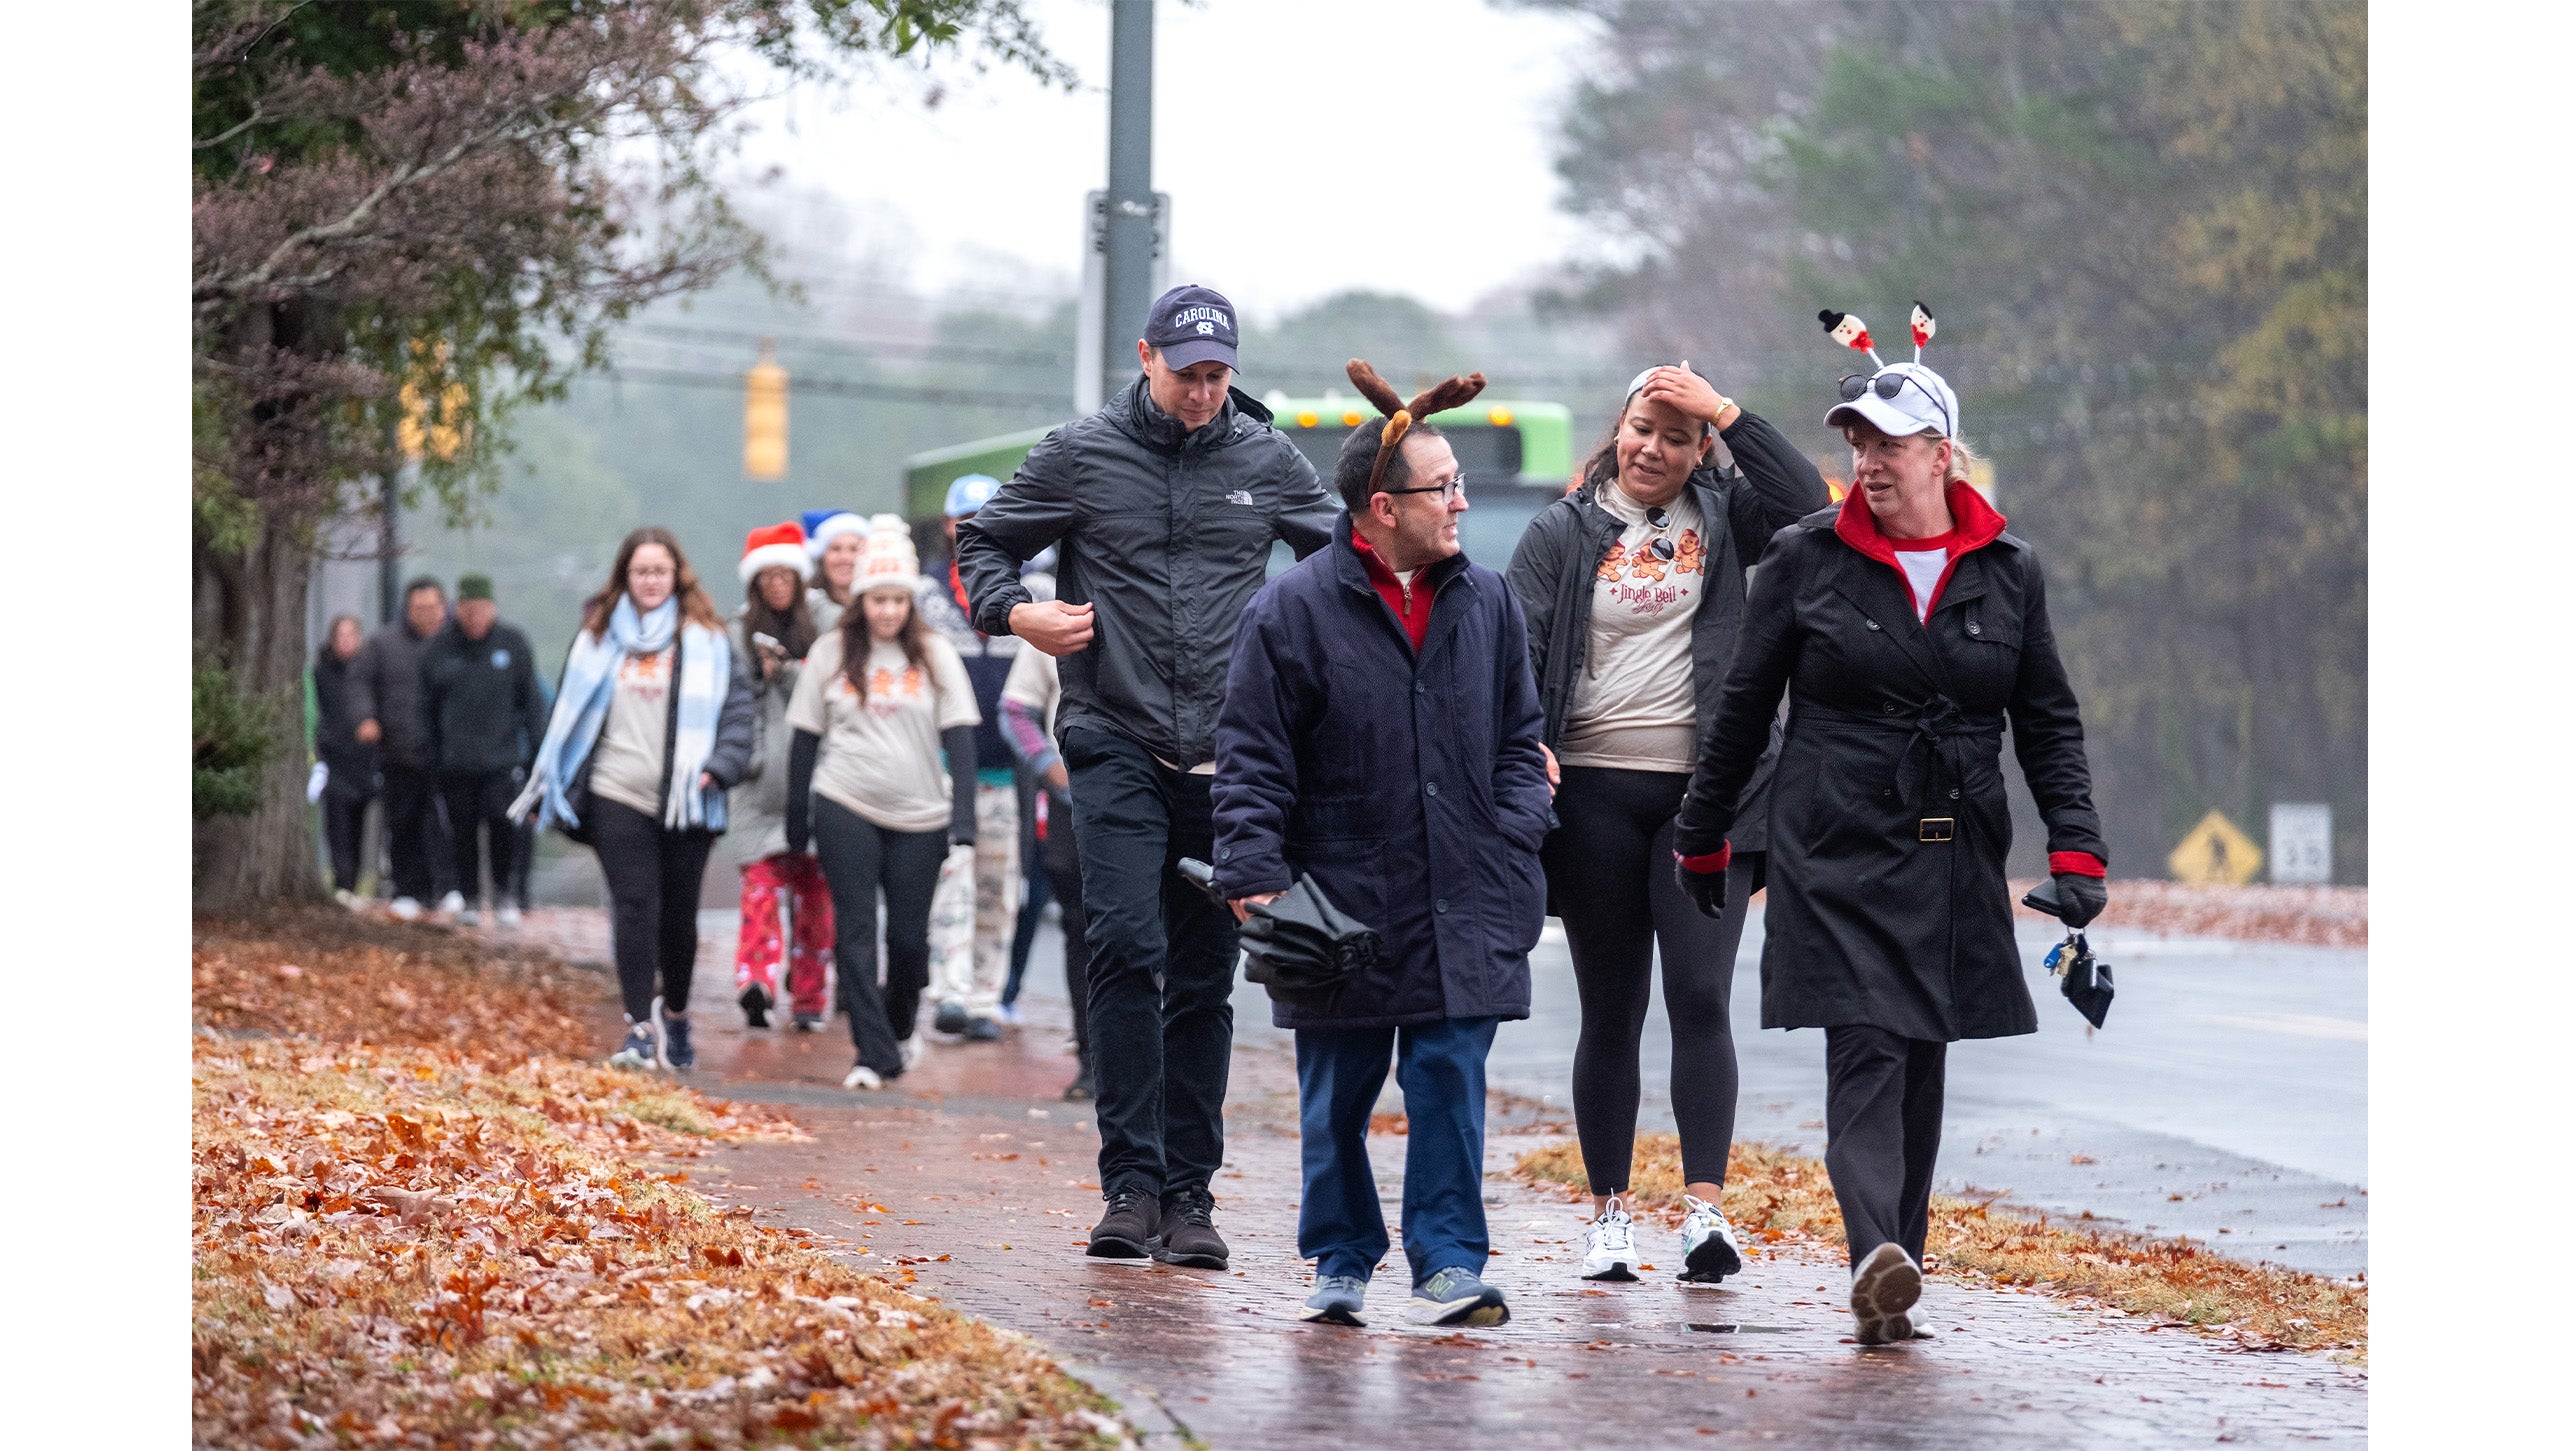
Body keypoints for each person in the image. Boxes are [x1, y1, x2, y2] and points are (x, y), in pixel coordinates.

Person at [1672, 348, 2108, 1344]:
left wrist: (2076, 851)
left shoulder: (2010, 570)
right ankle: (1877, 1248)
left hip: (1954, 842)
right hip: (1831, 837)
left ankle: (1892, 1276)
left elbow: (2046, 721)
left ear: (1941, 454)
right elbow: (1742, 706)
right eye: (1858, 440)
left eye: (1890, 442)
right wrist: (1703, 833)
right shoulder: (1804, 555)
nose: (1869, 459)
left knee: (1920, 1048)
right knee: (1865, 1040)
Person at [957, 283, 1335, 1267]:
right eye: (1187, 374)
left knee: (1205, 976)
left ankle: (1189, 1196)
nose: (1204, 392)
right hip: (1113, 731)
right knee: (1126, 944)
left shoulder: (1265, 456)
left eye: (1219, 375)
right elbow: (982, 540)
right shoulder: (1080, 453)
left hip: (1229, 749)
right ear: (1144, 356)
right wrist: (1014, 614)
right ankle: (1129, 1185)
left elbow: (1345, 562)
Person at [1215, 361, 1549, 1327]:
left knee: (1448, 1080)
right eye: (1440, 487)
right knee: (1337, 1095)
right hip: (1337, 899)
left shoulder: (1486, 601)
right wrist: (1253, 874)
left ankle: (1449, 1261)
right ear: (1379, 508)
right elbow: (1251, 759)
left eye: (1456, 484)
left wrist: (1515, 835)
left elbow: (1521, 742)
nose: (1459, 501)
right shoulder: (1290, 611)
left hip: (1466, 892)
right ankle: (1342, 1257)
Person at [1505, 364, 1831, 1284]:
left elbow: (1811, 504)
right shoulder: (1562, 531)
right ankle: (1609, 1214)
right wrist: (1524, 744)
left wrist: (1727, 408)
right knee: (1612, 1007)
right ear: (1619, 428)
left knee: (1701, 996)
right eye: (1645, 428)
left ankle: (1703, 1212)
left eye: (1679, 435)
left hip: (1708, 797)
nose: (1656, 448)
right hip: (1595, 792)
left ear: (1701, 450)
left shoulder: (1730, 519)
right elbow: (1519, 649)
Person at [510, 528, 756, 1072]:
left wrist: (722, 765)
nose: (649, 581)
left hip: (689, 798)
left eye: (659, 572)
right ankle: (638, 1028)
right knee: (634, 906)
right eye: (639, 571)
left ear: (676, 577)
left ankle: (677, 1012)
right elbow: (569, 717)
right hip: (615, 792)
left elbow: (739, 713)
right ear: (624, 577)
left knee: (678, 919)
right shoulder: (598, 638)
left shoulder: (710, 641)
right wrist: (552, 781)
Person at [784, 518, 980, 1090]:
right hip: (846, 801)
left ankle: (896, 1029)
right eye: (877, 599)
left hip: (922, 815)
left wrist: (963, 819)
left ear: (910, 602)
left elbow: (961, 737)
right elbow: (804, 740)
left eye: (898, 600)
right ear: (862, 601)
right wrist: (798, 822)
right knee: (857, 930)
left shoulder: (935, 654)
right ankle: (871, 1054)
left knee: (909, 941)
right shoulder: (830, 653)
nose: (888, 611)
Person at [917, 474, 1029, 1043]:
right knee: (949, 879)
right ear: (948, 525)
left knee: (996, 887)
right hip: (942, 768)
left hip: (1006, 769)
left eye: (985, 517)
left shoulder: (1030, 588)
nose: (974, 529)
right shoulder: (923, 595)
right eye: (965, 519)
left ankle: (988, 997)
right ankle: (951, 992)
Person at [728, 522, 834, 1032]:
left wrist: (791, 672)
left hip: (817, 782)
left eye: (784, 575)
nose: (776, 585)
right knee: (760, 889)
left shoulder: (829, 626)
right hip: (759, 785)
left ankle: (810, 994)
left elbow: (832, 691)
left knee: (817, 896)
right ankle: (756, 981)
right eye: (766, 577)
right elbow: (728, 702)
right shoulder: (735, 634)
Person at [998, 636, 1094, 1101]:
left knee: (1153, 933)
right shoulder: (1057, 614)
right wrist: (1052, 769)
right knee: (1084, 932)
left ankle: (1151, 1061)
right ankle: (1093, 1063)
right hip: (1072, 805)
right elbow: (1015, 711)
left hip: (1160, 799)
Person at [422, 572, 543, 926]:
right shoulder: (440, 649)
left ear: (493, 608)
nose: (475, 617)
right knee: (462, 832)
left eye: (482, 609)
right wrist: (429, 751)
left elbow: (531, 704)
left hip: (502, 761)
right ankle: (470, 895)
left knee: (504, 827)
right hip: (455, 762)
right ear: (457, 609)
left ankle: (505, 891)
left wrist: (536, 753)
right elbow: (424, 707)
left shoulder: (513, 644)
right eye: (468, 609)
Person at [349, 576, 455, 919]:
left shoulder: (456, 643)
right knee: (403, 821)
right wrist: (365, 717)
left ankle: (447, 888)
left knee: (445, 823)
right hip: (398, 751)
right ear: (406, 609)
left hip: (447, 754)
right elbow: (358, 682)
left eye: (432, 607)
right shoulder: (382, 644)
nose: (425, 615)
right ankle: (406, 889)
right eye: (418, 608)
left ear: (444, 607)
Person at [311, 613, 378, 906]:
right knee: (336, 824)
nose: (346, 643)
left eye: (351, 636)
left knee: (360, 825)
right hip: (334, 759)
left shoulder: (371, 673)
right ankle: (342, 883)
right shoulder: (320, 673)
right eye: (340, 636)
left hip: (364, 760)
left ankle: (355, 883)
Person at [802, 509, 868, 634]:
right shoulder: (803, 608)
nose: (845, 558)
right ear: (821, 557)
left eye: (854, 549)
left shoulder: (880, 607)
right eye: (836, 549)